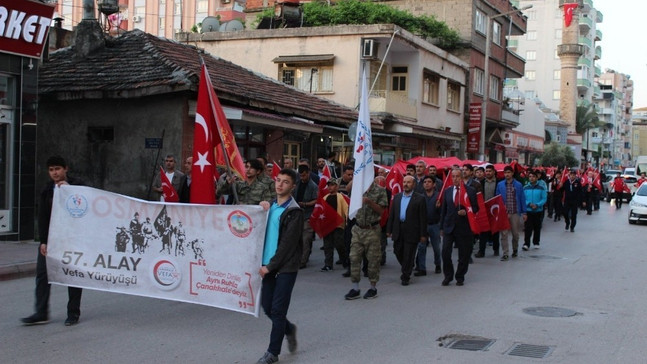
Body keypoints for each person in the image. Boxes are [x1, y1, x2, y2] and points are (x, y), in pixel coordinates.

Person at [22, 156, 84, 326]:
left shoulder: (78, 185)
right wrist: (43, 241)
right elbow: (42, 217)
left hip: (72, 239)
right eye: (51, 170)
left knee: (73, 276)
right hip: (52, 239)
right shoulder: (47, 190)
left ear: (66, 169)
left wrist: (70, 190)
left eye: (57, 169)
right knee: (43, 275)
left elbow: (88, 205)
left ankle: (73, 313)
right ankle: (41, 312)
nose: (54, 173)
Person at [257, 168, 303, 364]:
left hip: (285, 267)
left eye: (285, 182)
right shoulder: (271, 207)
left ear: (292, 187)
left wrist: (270, 267)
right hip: (267, 264)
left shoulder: (295, 211)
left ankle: (272, 353)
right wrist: (260, 209)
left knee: (277, 310)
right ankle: (289, 328)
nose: (280, 184)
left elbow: (287, 245)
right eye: (278, 180)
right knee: (267, 306)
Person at [344, 180, 387, 300]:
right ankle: (355, 288)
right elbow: (347, 189)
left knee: (373, 260)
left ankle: (373, 288)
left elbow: (381, 211)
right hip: (358, 228)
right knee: (354, 257)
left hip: (372, 229)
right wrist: (356, 175)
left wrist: (369, 201)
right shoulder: (357, 188)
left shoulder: (380, 190)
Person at [439, 169, 478, 286]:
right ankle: (448, 275)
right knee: (445, 252)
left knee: (464, 254)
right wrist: (441, 227)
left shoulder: (470, 191)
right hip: (449, 227)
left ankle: (460, 276)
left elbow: (476, 208)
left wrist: (466, 212)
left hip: (464, 227)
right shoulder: (447, 191)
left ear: (461, 177)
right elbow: (444, 210)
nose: (455, 178)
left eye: (457, 176)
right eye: (453, 176)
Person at [387, 176, 427, 285]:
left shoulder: (420, 198)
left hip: (412, 230)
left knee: (409, 253)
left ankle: (405, 276)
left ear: (413, 184)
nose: (406, 184)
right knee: (397, 250)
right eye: (404, 182)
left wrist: (423, 234)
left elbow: (423, 218)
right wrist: (389, 229)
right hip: (398, 229)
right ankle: (408, 265)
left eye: (408, 182)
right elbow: (392, 214)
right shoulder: (397, 197)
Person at [495, 166, 527, 261]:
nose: (507, 174)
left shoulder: (518, 185)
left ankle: (515, 249)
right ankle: (505, 253)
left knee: (515, 234)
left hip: (515, 212)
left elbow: (522, 198)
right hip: (504, 213)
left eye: (509, 172)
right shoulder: (500, 185)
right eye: (505, 173)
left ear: (512, 173)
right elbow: (497, 198)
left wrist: (524, 212)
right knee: (504, 234)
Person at [292, 164, 319, 269]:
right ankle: (297, 257)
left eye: (304, 175)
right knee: (296, 238)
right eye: (300, 175)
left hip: (307, 215)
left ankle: (302, 261)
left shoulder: (313, 186)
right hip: (296, 214)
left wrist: (306, 204)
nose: (302, 177)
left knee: (305, 239)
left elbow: (316, 200)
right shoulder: (297, 183)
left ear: (308, 173)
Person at [320, 179, 348, 271]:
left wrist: (347, 220)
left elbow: (346, 209)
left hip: (337, 225)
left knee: (339, 243)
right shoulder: (325, 198)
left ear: (336, 186)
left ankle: (344, 260)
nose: (330, 187)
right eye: (329, 185)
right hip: (327, 225)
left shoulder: (340, 197)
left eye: (332, 185)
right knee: (327, 245)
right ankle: (328, 264)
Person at [417, 176, 442, 275]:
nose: (427, 183)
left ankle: (438, 264)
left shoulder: (439, 196)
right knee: (421, 247)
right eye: (425, 182)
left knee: (436, 247)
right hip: (423, 225)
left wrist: (439, 207)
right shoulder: (420, 196)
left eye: (429, 182)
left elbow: (443, 211)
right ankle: (422, 268)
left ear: (434, 184)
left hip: (434, 225)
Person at [475, 164, 500, 257]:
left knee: (495, 230)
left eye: (490, 171)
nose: (488, 173)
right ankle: (481, 251)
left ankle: (496, 249)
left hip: (495, 209)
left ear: (493, 172)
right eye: (487, 171)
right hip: (484, 209)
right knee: (483, 231)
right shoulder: (481, 183)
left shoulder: (498, 182)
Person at [522, 170, 547, 250]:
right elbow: (523, 198)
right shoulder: (525, 188)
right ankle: (526, 244)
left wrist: (537, 205)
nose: (531, 178)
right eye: (530, 177)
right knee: (528, 228)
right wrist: (529, 204)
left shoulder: (541, 187)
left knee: (537, 227)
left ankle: (536, 242)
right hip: (528, 210)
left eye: (533, 177)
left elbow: (544, 198)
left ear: (537, 178)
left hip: (538, 211)